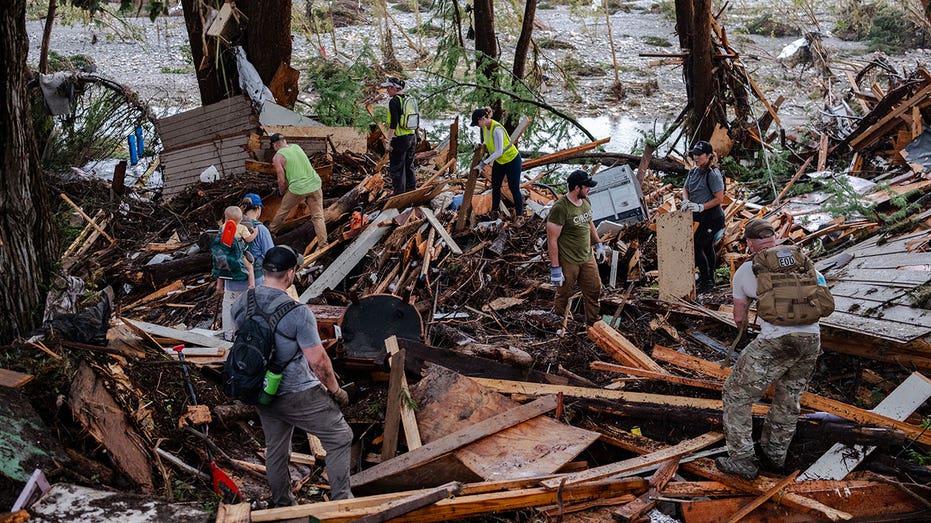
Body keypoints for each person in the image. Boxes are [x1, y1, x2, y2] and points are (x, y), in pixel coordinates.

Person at [232, 246, 353, 505]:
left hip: (260, 389)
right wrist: (336, 391)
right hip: (296, 392)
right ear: (290, 274)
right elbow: (318, 361)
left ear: (265, 271)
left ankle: (283, 505)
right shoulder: (298, 313)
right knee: (340, 436)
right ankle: (343, 501)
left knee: (276, 448)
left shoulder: (243, 301)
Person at [716, 219, 833, 480]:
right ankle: (775, 455)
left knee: (736, 394)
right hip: (811, 340)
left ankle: (743, 458)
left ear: (748, 243)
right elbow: (822, 295)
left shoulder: (748, 270)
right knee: (788, 398)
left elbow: (738, 317)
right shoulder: (803, 263)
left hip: (776, 341)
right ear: (776, 239)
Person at [546, 170, 608, 326]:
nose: (589, 189)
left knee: (594, 289)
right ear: (576, 187)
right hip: (568, 259)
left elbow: (589, 222)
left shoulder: (586, 201)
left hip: (587, 255)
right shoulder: (560, 208)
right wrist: (555, 268)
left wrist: (598, 243)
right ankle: (559, 323)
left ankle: (593, 323)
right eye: (586, 186)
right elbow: (552, 239)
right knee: (564, 293)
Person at [268, 133, 327, 250]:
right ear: (284, 141)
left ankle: (270, 231)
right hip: (315, 184)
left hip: (298, 188)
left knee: (284, 209)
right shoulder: (296, 147)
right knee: (318, 217)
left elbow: (281, 179)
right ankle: (323, 244)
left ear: (275, 145)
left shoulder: (277, 157)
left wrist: (281, 191)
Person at [681, 140, 725, 293]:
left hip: (712, 217)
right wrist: (686, 200)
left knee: (697, 245)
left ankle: (707, 280)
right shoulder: (693, 171)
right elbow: (685, 188)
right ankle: (709, 276)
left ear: (708, 156)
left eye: (699, 155)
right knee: (706, 246)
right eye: (694, 154)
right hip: (698, 216)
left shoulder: (713, 174)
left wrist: (701, 206)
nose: (696, 157)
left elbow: (719, 198)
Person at [470, 107, 524, 222]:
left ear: (482, 118)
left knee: (514, 188)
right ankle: (495, 212)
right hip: (500, 162)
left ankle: (520, 215)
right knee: (495, 186)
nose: (477, 125)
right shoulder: (485, 127)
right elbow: (488, 142)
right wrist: (479, 146)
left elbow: (499, 151)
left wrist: (483, 164)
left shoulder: (497, 129)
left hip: (512, 160)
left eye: (477, 123)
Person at [213, 206, 254, 341]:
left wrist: (219, 284)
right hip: (243, 278)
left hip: (229, 280)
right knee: (250, 267)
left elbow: (219, 261)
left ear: (226, 218)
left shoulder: (222, 230)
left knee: (227, 307)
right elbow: (249, 240)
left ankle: (228, 335)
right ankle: (243, 336)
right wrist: (255, 232)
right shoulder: (242, 228)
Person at [382, 76, 417, 194]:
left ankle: (399, 195)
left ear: (393, 88)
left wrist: (388, 140)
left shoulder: (394, 101)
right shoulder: (409, 99)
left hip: (400, 139)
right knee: (409, 166)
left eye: (388, 88)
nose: (387, 91)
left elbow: (394, 122)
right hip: (412, 137)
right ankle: (411, 192)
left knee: (397, 168)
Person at [240, 193, 274, 286]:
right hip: (255, 278)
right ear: (258, 208)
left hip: (232, 281)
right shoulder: (261, 229)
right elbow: (270, 255)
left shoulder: (233, 226)